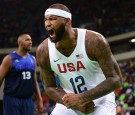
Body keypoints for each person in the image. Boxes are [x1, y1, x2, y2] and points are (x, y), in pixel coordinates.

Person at [36, 3, 123, 115]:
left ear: (67, 21)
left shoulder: (94, 41)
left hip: (100, 99)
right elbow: (49, 87)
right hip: (69, 101)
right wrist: (73, 102)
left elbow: (116, 79)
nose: (47, 24)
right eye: (45, 20)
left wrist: (81, 98)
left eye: (52, 19)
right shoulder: (43, 51)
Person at [0, 34, 43, 115]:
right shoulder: (9, 58)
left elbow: (34, 81)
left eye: (31, 40)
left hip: (28, 100)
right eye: (27, 40)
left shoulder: (32, 59)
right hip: (12, 100)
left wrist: (40, 99)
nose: (30, 42)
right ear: (20, 43)